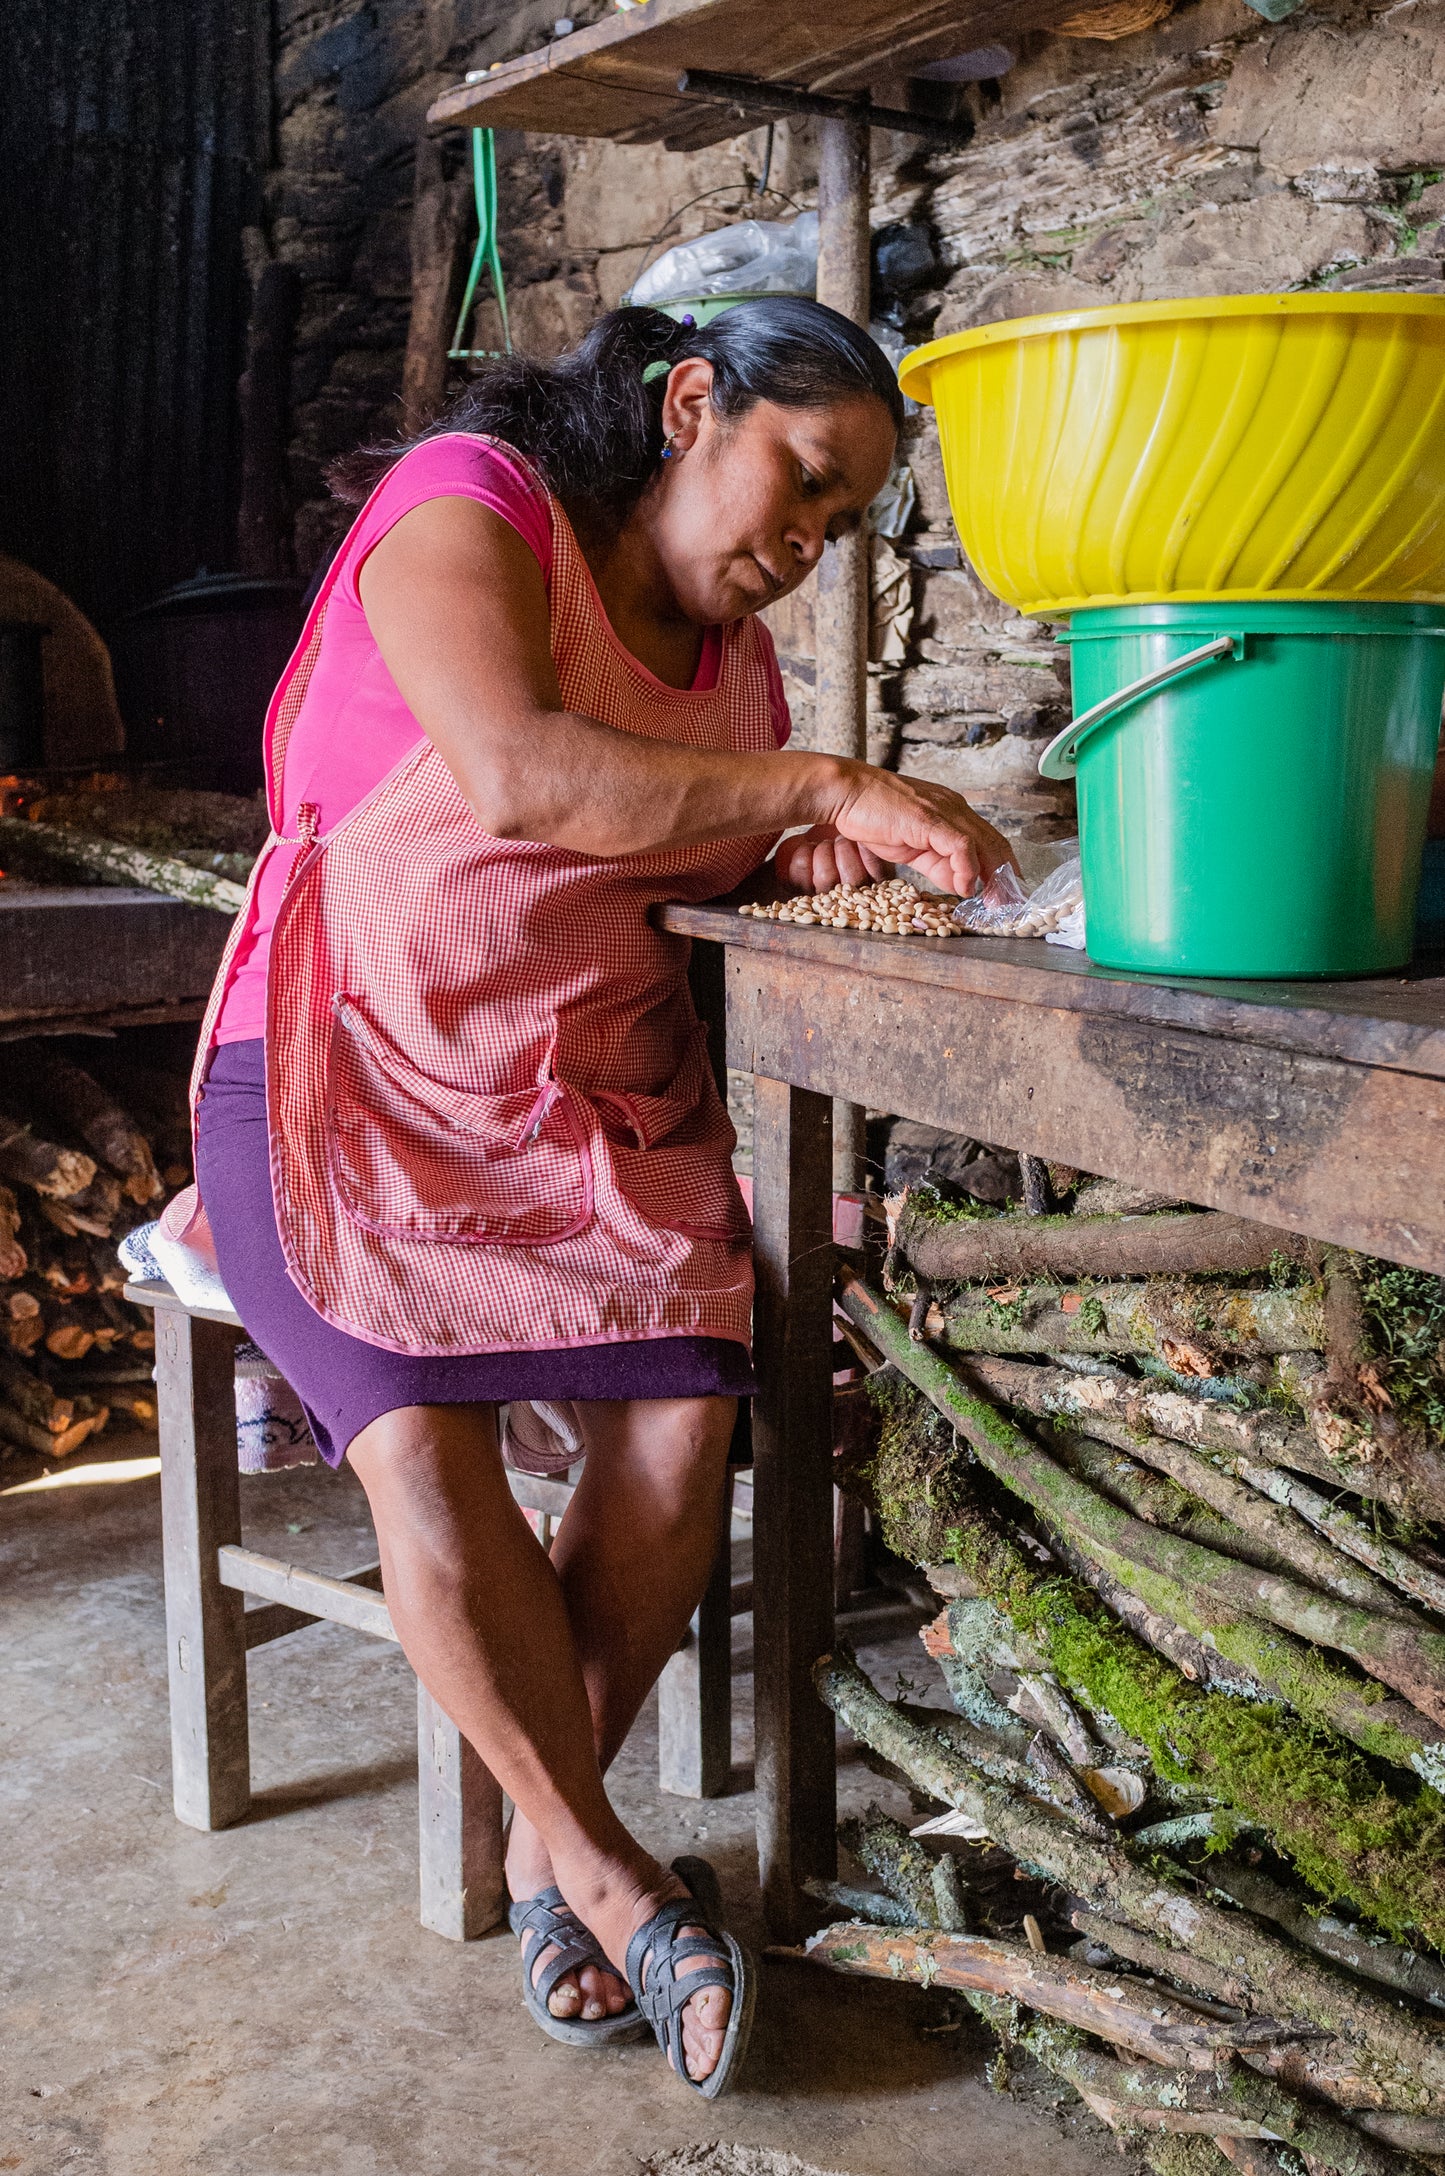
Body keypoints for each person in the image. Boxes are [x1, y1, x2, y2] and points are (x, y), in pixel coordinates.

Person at [178, 298, 1014, 2096]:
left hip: (583, 1118)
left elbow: (698, 840)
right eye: (798, 484)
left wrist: (795, 838)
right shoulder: (466, 504)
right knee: (419, 1438)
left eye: (841, 524)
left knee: (672, 1423)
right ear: (691, 404)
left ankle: (545, 1857)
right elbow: (520, 774)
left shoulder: (742, 682)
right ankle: (612, 1876)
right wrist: (825, 781)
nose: (800, 549)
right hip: (339, 1078)